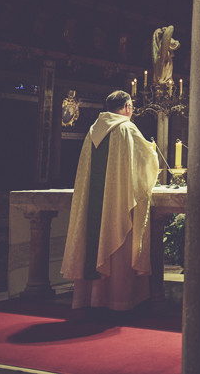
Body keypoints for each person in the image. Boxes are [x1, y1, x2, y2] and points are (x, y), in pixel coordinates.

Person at [61, 90, 159, 313]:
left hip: (96, 202)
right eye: (131, 107)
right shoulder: (127, 128)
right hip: (117, 203)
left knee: (93, 241)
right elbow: (146, 163)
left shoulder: (93, 130)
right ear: (126, 107)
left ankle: (91, 299)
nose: (132, 111)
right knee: (118, 245)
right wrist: (153, 150)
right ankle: (118, 301)